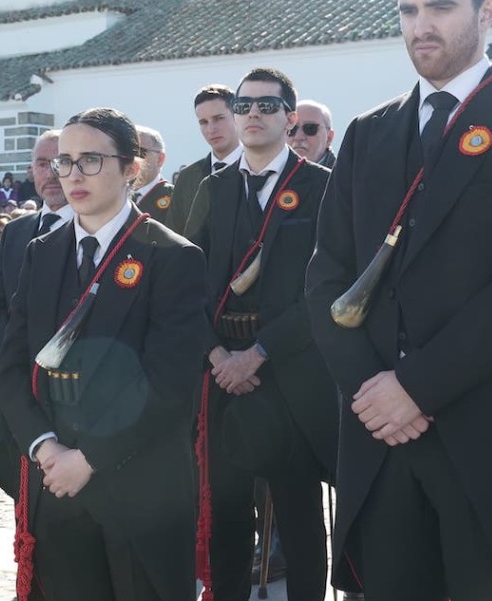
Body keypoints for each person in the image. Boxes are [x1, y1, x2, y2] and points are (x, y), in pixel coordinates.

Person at [305, 0, 492, 599]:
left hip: (488, 431)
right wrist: (373, 393)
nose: (421, 27)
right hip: (380, 435)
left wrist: (418, 386)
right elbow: (326, 279)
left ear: (488, 11)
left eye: (440, 8)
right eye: (408, 11)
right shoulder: (369, 131)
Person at [0, 107, 206, 601]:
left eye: (90, 160)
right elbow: (13, 368)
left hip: (140, 489)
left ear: (132, 168)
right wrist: (46, 448)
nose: (71, 175)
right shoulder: (41, 252)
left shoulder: (172, 255)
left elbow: (170, 385)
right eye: (63, 162)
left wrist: (88, 458)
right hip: (57, 487)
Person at [185, 67, 334, 601]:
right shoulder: (213, 187)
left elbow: (326, 290)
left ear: (290, 118)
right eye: (245, 105)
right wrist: (218, 355)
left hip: (289, 371)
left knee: (298, 515)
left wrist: (260, 353)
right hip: (222, 372)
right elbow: (190, 283)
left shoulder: (321, 188)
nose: (253, 115)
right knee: (225, 509)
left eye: (267, 107)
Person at [0, 129, 73, 364]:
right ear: (32, 171)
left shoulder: (93, 230)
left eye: (61, 162)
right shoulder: (14, 231)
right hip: (14, 375)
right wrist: (8, 355)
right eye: (42, 164)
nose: (51, 174)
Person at [165, 84, 242, 234]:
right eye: (203, 122)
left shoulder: (256, 169)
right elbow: (174, 235)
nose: (211, 129)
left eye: (219, 119)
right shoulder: (188, 177)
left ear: (237, 116)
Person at [132, 126, 175, 226]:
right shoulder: (115, 196)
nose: (133, 159)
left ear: (160, 159)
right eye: (129, 152)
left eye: (139, 152)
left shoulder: (175, 198)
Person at [287, 100, 337, 169]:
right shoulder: (270, 174)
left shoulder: (345, 178)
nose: (298, 137)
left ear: (329, 138)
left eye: (310, 128)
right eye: (292, 129)